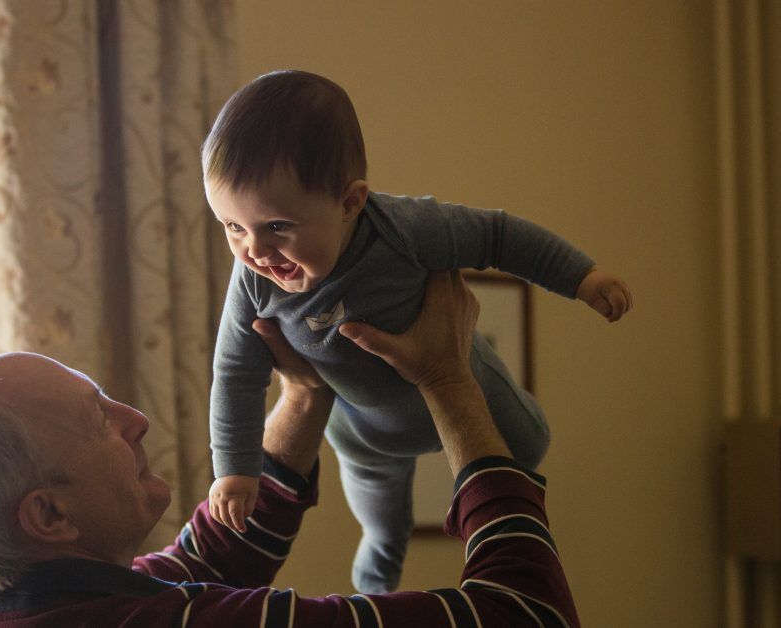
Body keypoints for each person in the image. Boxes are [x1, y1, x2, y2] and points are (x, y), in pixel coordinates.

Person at [0, 271, 580, 627]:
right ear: (49, 516)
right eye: (99, 419)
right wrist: (448, 379)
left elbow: (210, 559)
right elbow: (525, 616)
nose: (136, 418)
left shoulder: (11, 609)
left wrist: (302, 398)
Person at [205, 69, 633, 593]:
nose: (254, 251)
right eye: (232, 227)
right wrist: (234, 468)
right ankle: (375, 591)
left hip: (464, 381)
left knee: (530, 446)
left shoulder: (405, 229)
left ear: (349, 203)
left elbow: (498, 236)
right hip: (365, 433)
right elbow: (235, 373)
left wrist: (582, 277)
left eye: (277, 227)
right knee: (384, 528)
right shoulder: (252, 281)